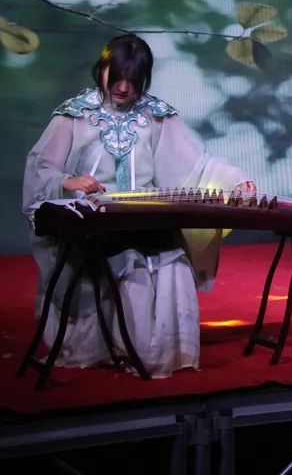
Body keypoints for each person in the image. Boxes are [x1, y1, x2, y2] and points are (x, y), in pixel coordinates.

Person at [22, 34, 255, 377]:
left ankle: (153, 352)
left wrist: (234, 180)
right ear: (101, 69)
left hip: (146, 217)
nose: (123, 87)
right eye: (116, 77)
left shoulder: (156, 115)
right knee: (118, 259)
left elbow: (196, 165)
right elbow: (42, 167)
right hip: (94, 220)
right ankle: (108, 344)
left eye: (133, 80)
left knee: (172, 259)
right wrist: (69, 182)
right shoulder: (75, 114)